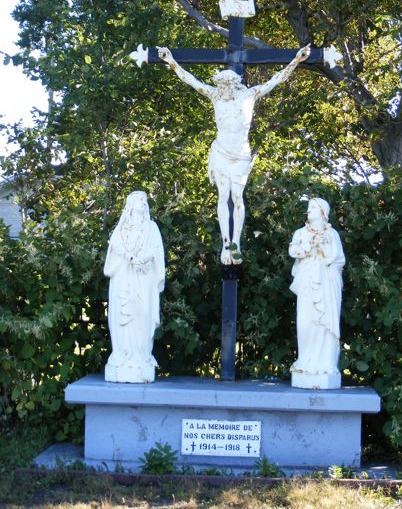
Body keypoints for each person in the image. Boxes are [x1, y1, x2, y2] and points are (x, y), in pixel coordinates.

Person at [157, 45, 310, 265]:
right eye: (220, 87)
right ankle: (225, 243)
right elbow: (190, 80)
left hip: (239, 154)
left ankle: (235, 243)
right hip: (221, 151)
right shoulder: (216, 95)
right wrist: (171, 61)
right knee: (222, 196)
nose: (222, 91)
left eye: (225, 87)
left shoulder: (249, 95)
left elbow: (276, 79)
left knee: (237, 197)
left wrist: (296, 60)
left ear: (233, 84)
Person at [104, 191, 165, 383]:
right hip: (123, 278)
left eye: (145, 201)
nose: (143, 203)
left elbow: (157, 253)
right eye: (139, 200)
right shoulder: (120, 230)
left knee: (142, 315)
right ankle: (123, 355)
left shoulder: (152, 228)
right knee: (123, 318)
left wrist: (144, 260)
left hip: (144, 279)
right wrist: (129, 258)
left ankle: (141, 355)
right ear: (130, 204)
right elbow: (113, 252)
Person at [288, 198, 345, 389]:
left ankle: (326, 365)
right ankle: (305, 362)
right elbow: (293, 251)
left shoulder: (332, 234)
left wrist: (322, 245)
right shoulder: (300, 233)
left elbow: (338, 260)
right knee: (305, 322)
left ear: (323, 212)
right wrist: (309, 245)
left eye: (313, 207)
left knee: (325, 323)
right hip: (307, 282)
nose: (309, 210)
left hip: (326, 284)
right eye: (308, 207)